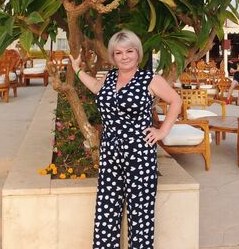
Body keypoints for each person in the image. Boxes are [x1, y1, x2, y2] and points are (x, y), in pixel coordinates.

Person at [70, 29, 182, 249]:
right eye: (118, 53)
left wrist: (161, 132)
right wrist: (77, 70)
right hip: (110, 152)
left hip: (139, 153)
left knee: (140, 214)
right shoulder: (110, 77)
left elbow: (175, 101)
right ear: (113, 56)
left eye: (129, 51)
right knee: (106, 210)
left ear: (138, 53)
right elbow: (95, 87)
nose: (124, 57)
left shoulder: (150, 79)